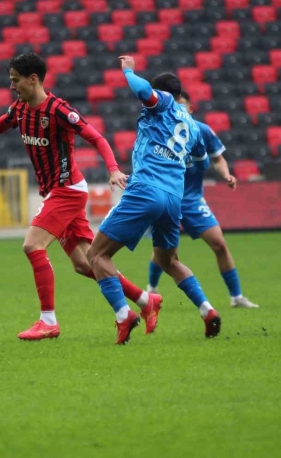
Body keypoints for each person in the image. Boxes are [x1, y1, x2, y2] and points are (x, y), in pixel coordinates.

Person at [0, 52, 159, 341]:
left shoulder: (58, 110)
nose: (11, 86)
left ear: (33, 79)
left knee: (32, 246)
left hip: (67, 191)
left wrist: (113, 169)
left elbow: (96, 137)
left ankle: (48, 321)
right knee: (86, 263)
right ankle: (144, 301)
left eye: (15, 80)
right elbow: (0, 123)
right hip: (58, 191)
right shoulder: (20, 107)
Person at [86, 56, 220, 345]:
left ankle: (125, 315)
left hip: (146, 188)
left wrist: (128, 70)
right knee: (168, 260)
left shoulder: (163, 103)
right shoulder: (193, 126)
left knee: (96, 255)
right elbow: (202, 161)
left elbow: (142, 90)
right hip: (174, 198)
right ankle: (207, 310)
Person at [146, 91, 259, 310]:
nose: (177, 111)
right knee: (166, 252)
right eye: (173, 107)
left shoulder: (201, 130)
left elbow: (218, 158)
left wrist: (225, 174)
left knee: (219, 244)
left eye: (182, 106)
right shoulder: (162, 130)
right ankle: (151, 289)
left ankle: (236, 297)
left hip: (192, 200)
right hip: (167, 198)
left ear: (190, 108)